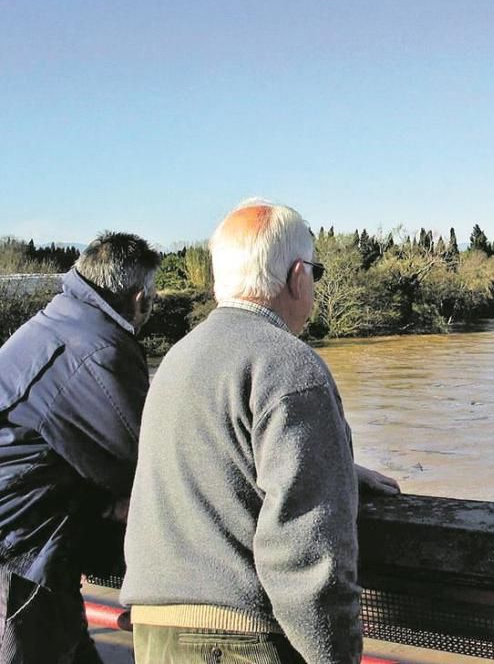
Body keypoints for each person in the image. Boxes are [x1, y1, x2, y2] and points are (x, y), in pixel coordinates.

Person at [122, 199, 398, 664]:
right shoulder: (288, 365)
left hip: (154, 636)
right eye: (316, 272)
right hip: (236, 642)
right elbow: (307, 549)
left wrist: (335, 462)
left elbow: (215, 457)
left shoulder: (179, 358)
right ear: (297, 276)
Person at [0, 232, 161, 663]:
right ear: (140, 296)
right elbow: (153, 465)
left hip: (33, 548)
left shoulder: (58, 321)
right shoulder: (99, 349)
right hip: (18, 563)